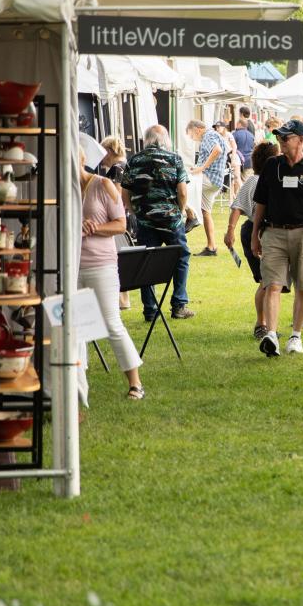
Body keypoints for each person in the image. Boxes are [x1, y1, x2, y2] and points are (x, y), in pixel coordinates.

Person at [250, 119, 303, 357]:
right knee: (272, 285)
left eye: (285, 138)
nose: (280, 141)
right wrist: (255, 234)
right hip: (273, 232)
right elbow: (261, 203)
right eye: (279, 138)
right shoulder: (271, 166)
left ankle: (296, 336)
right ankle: (272, 336)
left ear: (301, 140)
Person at [77, 148, 144, 400]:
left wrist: (95, 227)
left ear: (82, 159)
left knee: (112, 323)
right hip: (72, 265)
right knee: (75, 327)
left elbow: (121, 225)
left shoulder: (103, 185)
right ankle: (78, 387)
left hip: (101, 264)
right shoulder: (63, 190)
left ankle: (136, 383)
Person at [121, 124, 194, 319]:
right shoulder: (174, 159)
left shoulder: (134, 160)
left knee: (147, 262)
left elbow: (125, 191)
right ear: (165, 140)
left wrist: (133, 212)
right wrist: (180, 211)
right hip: (170, 219)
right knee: (181, 257)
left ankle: (150, 310)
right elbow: (183, 191)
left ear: (147, 139)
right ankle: (179, 305)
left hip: (144, 220)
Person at [225, 141, 281, 339]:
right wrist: (229, 231)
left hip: (258, 230)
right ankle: (261, 324)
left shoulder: (254, 179)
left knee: (268, 281)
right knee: (266, 281)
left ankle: (266, 323)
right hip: (256, 231)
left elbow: (236, 207)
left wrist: (230, 231)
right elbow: (237, 206)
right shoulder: (257, 181)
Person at [186, 119, 228, 256]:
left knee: (180, 186)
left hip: (209, 177)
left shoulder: (209, 135)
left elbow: (217, 150)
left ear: (197, 129)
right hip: (215, 180)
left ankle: (191, 217)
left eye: (192, 135)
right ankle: (211, 247)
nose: (193, 139)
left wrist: (201, 168)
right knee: (205, 212)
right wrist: (199, 167)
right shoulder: (215, 134)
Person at [234, 106, 257, 178]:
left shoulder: (246, 125)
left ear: (241, 114)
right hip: (249, 157)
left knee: (241, 179)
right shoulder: (251, 124)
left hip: (243, 157)